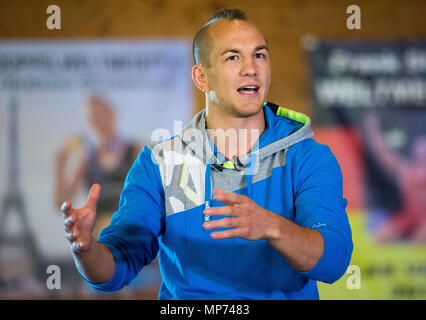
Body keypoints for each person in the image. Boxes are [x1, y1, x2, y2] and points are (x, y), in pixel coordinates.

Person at [61, 8, 353, 299]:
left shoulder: (307, 156)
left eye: (259, 55)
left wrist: (272, 227)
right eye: (233, 57)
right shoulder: (162, 162)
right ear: (202, 78)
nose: (251, 68)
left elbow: (333, 262)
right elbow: (116, 268)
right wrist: (86, 250)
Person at [56, 95, 140, 238]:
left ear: (112, 114)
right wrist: (60, 164)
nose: (96, 122)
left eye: (99, 115)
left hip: (132, 234)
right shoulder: (86, 160)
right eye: (91, 118)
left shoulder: (136, 152)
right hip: (100, 237)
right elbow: (61, 203)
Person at [363, 111, 426, 243]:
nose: (422, 154)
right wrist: (371, 127)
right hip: (409, 216)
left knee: (421, 237)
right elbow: (381, 152)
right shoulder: (407, 170)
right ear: (415, 153)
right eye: (420, 152)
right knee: (380, 236)